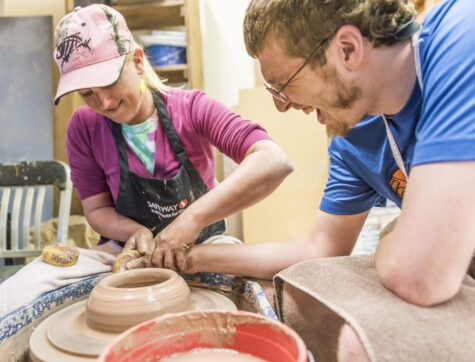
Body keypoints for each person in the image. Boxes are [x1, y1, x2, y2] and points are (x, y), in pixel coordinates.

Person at [176, 0, 475, 360]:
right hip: (455, 259)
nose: (282, 107)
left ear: (347, 49)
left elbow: (419, 275)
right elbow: (321, 247)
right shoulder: (353, 136)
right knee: (295, 301)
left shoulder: (461, 32)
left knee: (363, 341)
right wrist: (192, 259)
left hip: (442, 267)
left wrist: (397, 241)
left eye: (283, 86)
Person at [53, 4, 293, 269]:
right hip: (128, 249)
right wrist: (135, 232)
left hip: (200, 246)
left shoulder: (191, 108)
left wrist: (190, 222)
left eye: (109, 82)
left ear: (137, 61)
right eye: (87, 94)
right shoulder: (83, 127)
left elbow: (274, 161)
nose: (105, 102)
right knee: (40, 280)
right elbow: (96, 209)